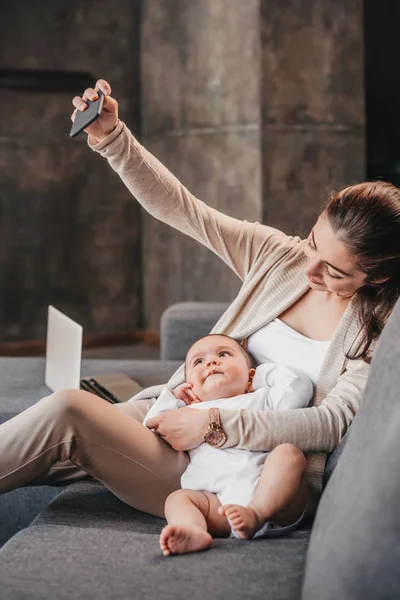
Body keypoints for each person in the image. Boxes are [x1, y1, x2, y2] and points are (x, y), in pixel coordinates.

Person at [0, 79, 399, 533]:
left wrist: (213, 425)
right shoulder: (279, 256)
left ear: (379, 276)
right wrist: (112, 138)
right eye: (312, 243)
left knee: (69, 411)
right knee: (44, 441)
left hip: (236, 469)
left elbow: (327, 424)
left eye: (335, 272)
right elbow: (185, 211)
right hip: (180, 415)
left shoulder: (377, 329)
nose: (311, 272)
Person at [142, 332, 314, 555]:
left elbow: (298, 386)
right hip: (217, 503)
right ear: (190, 387)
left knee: (288, 454)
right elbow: (153, 425)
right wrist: (173, 397)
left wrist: (259, 376)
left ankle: (256, 514)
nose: (212, 362)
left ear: (250, 378)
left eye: (224, 354)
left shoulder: (263, 398)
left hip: (272, 496)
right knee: (178, 499)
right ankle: (192, 529)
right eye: (199, 362)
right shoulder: (187, 412)